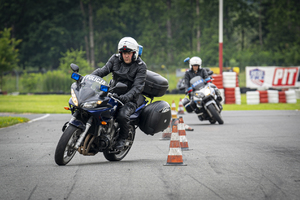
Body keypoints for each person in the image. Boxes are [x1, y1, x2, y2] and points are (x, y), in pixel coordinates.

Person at [91, 37, 147, 150]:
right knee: (94, 106)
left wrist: (126, 97)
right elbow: (103, 70)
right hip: (113, 92)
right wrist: (89, 77)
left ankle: (123, 139)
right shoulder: (115, 59)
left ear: (134, 53)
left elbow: (137, 87)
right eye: (123, 52)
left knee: (122, 115)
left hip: (131, 99)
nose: (126, 55)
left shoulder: (141, 66)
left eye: (129, 53)